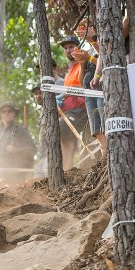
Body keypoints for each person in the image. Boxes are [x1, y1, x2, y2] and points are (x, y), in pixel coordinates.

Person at [72, 23, 106, 155]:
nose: (83, 29)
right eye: (81, 27)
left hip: (99, 89)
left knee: (104, 125)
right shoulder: (88, 49)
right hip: (88, 93)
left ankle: (110, 159)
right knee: (97, 130)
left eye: (86, 26)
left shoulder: (101, 43)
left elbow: (104, 61)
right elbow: (81, 80)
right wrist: (81, 64)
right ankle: (105, 161)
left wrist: (89, 57)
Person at [58, 35, 89, 170]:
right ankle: (67, 168)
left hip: (81, 109)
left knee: (62, 128)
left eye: (71, 46)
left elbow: (85, 87)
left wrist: (64, 94)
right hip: (69, 110)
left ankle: (68, 167)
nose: (68, 50)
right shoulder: (68, 73)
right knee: (64, 136)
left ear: (78, 48)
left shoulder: (84, 65)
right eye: (65, 48)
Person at [0, 103, 36, 170]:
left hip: (16, 173)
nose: (7, 113)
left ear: (14, 114)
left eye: (9, 111)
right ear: (1, 114)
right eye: (4, 111)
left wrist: (17, 150)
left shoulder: (20, 130)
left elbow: (33, 149)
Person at [30, 83, 48, 177]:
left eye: (40, 92)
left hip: (51, 156)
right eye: (36, 94)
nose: (38, 96)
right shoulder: (42, 114)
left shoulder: (55, 109)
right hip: (42, 157)